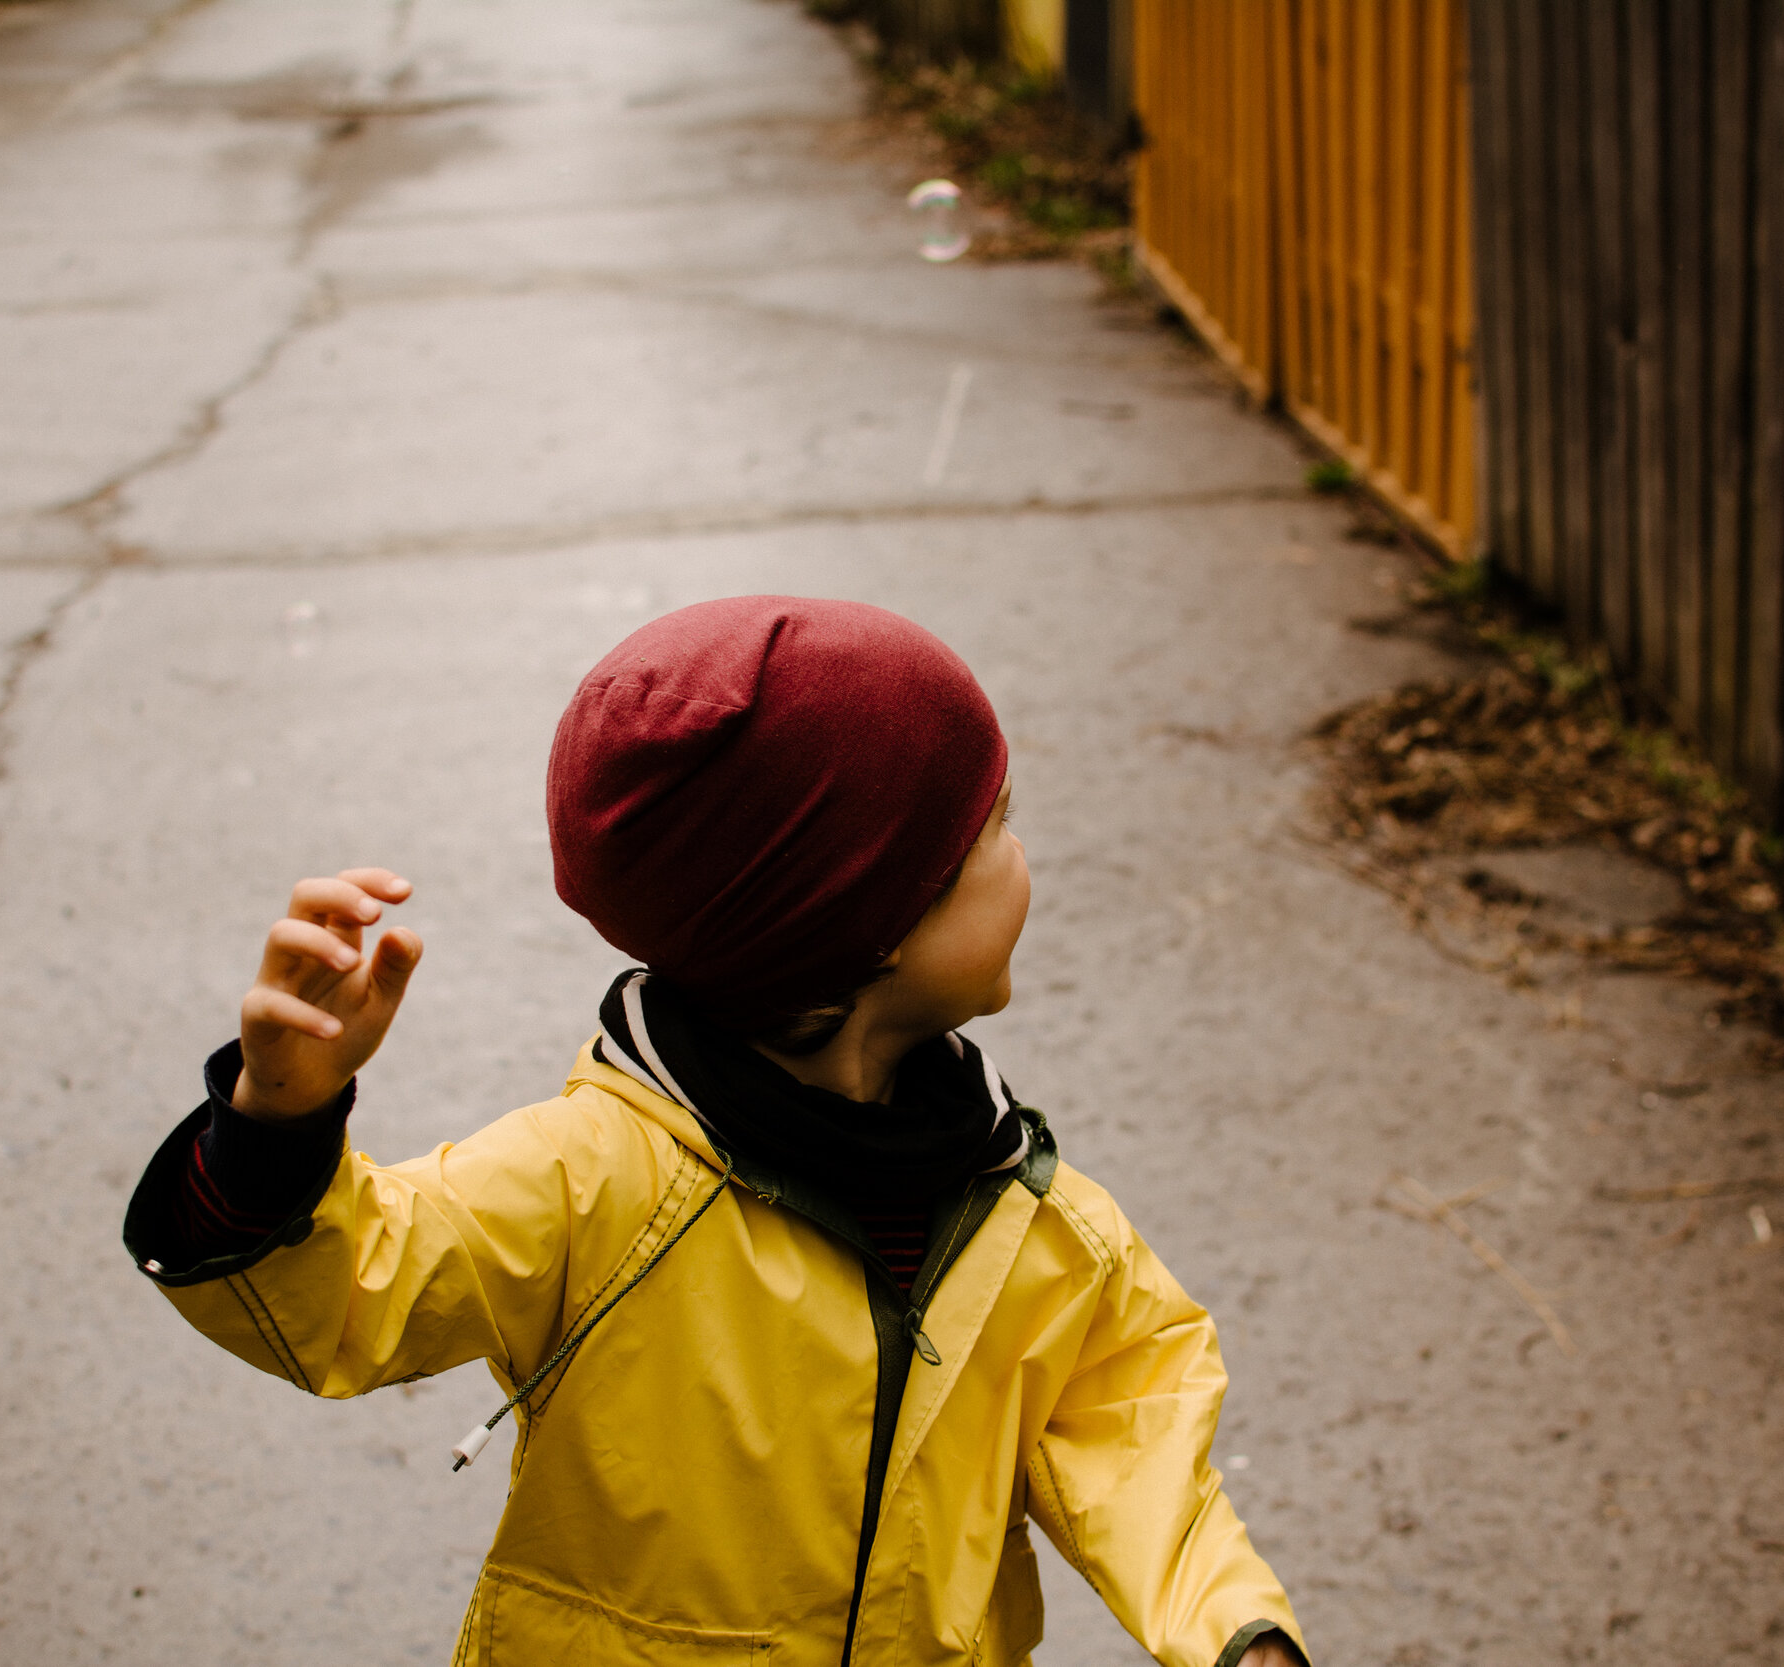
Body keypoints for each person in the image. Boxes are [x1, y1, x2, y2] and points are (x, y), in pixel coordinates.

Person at [122, 596, 1309, 1667]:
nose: (1024, 861)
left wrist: (1233, 1633)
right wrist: (278, 1122)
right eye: (991, 830)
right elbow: (344, 1297)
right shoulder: (594, 1182)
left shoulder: (1032, 1217)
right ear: (874, 919)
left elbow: (1132, 1432)